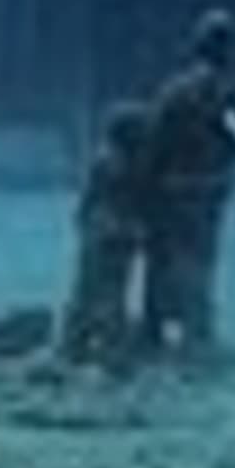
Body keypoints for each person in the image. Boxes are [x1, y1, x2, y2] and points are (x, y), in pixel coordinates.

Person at [142, 10, 235, 356]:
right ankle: (197, 333)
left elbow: (155, 139)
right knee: (201, 261)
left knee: (161, 260)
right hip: (211, 191)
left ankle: (155, 332)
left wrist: (153, 181)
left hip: (172, 189)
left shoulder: (175, 89)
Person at [61, 101, 153, 372]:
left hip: (100, 232)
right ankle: (111, 353)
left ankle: (75, 347)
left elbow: (89, 199)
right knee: (112, 295)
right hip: (121, 233)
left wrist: (82, 222)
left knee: (86, 292)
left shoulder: (104, 158)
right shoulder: (131, 162)